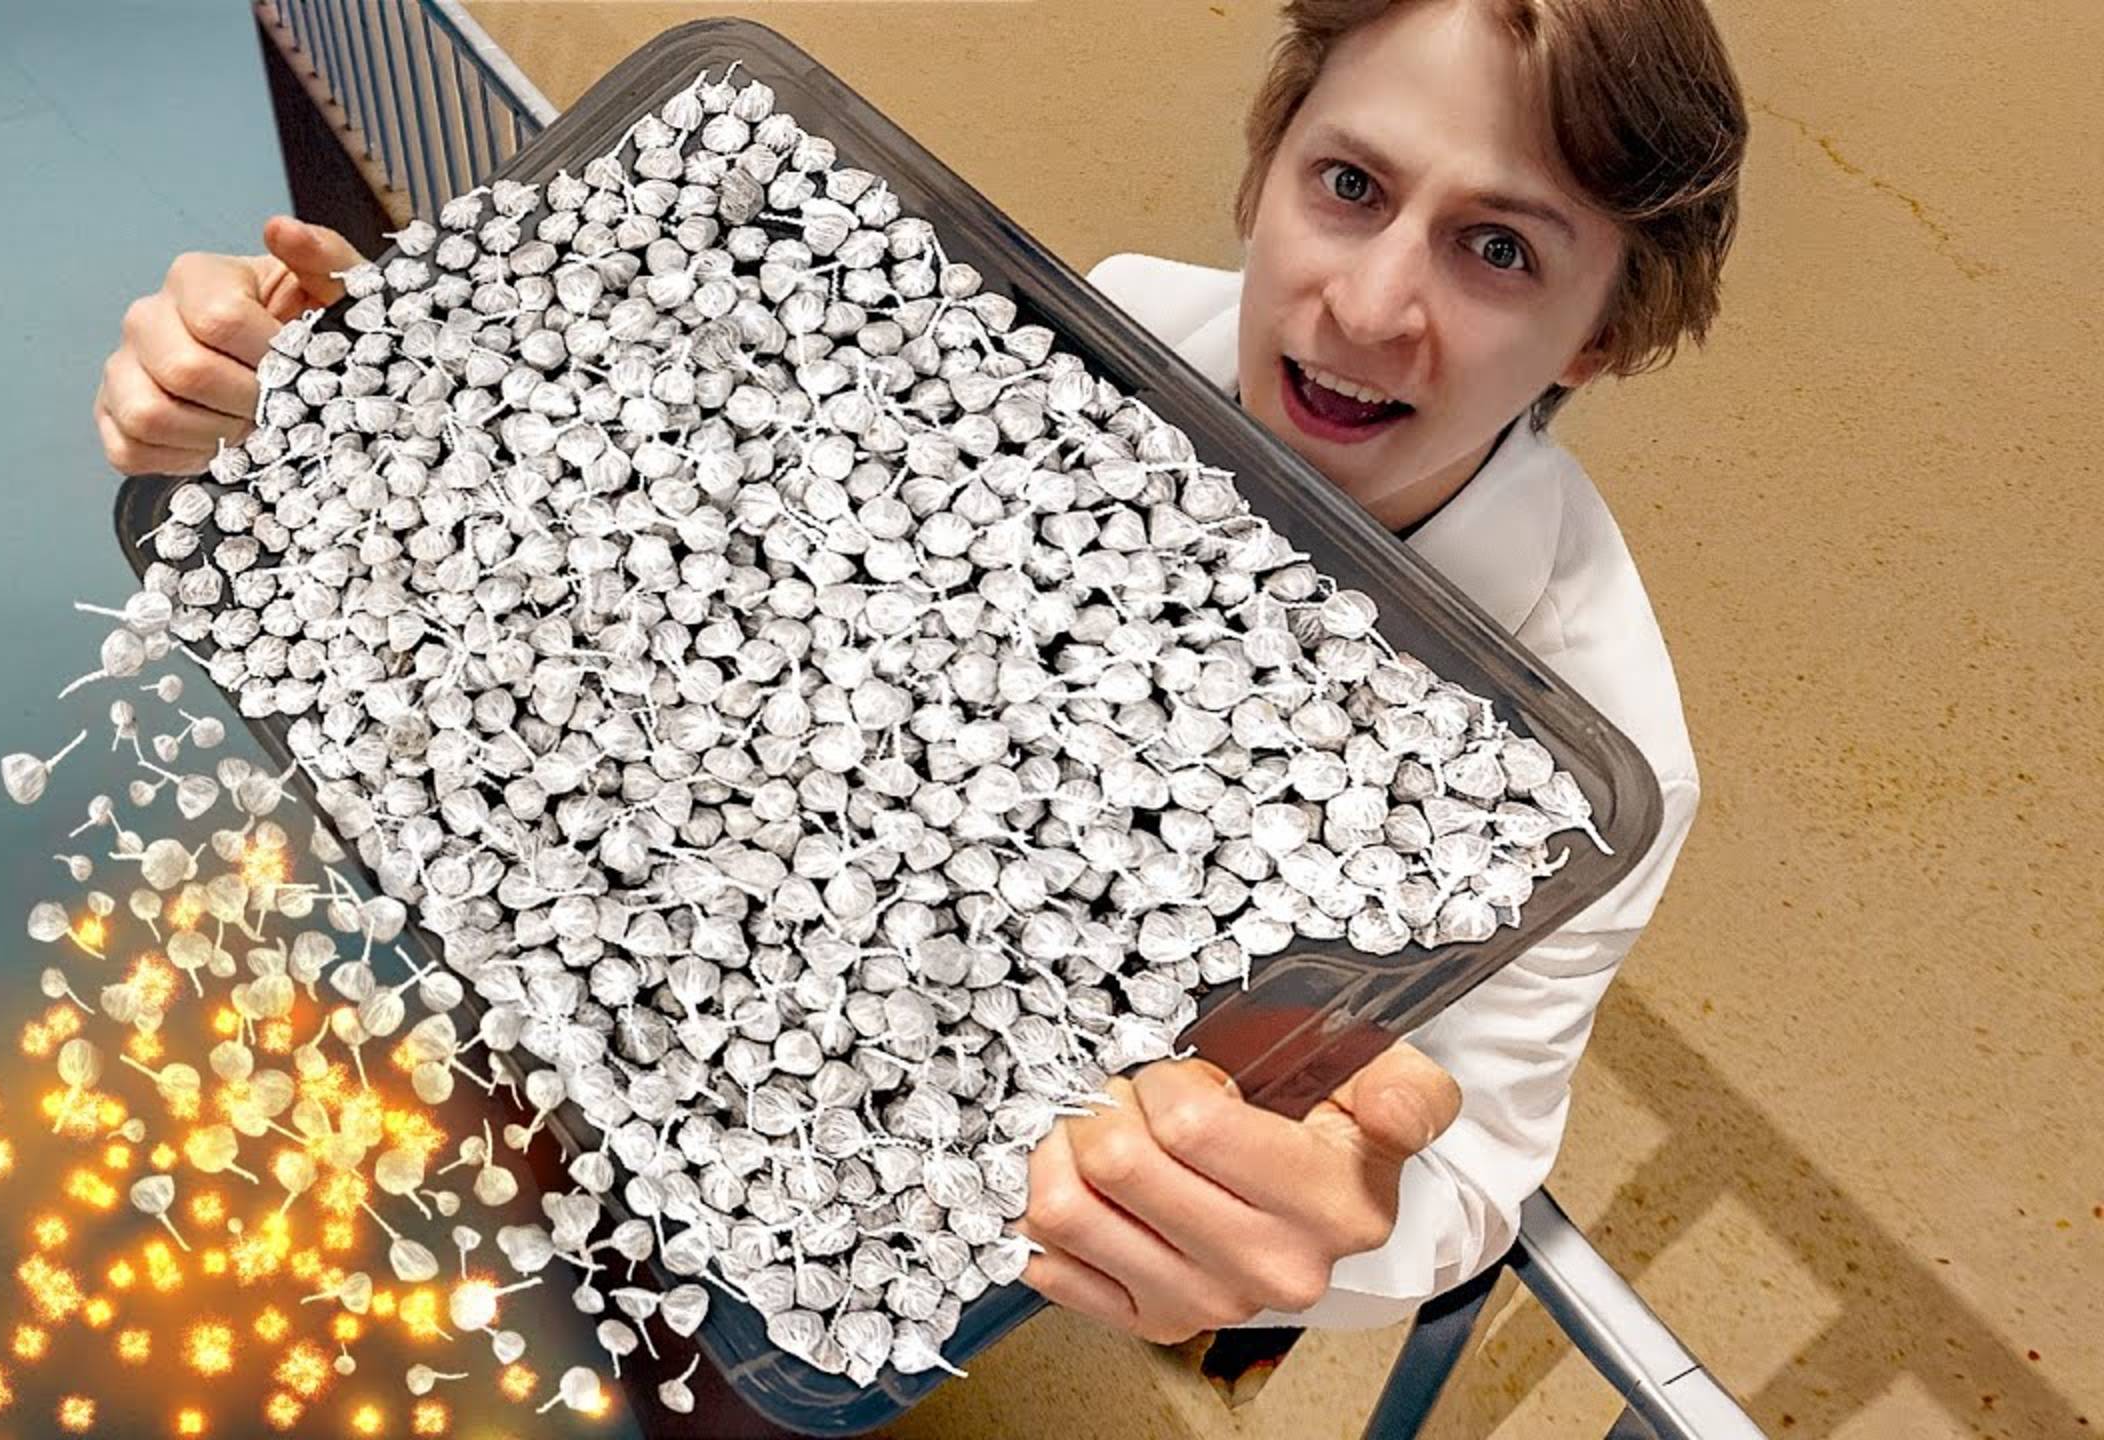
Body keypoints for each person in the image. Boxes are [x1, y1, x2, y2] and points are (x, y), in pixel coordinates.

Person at [93, 0, 1743, 1352]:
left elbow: (1462, 1176)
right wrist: (329, 402)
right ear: (1266, 169)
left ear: (1602, 335)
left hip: (982, 1174)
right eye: (1353, 186)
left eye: (1500, 251)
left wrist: (1330, 1221)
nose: (1372, 307)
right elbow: (726, 512)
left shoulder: (1590, 748)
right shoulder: (1103, 330)